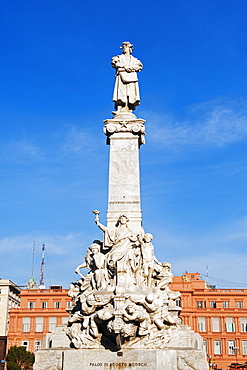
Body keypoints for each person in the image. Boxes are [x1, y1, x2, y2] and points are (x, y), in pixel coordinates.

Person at [112, 41, 143, 114]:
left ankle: (129, 109)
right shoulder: (118, 57)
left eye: (126, 47)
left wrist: (131, 68)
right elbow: (115, 63)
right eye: (124, 47)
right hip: (122, 77)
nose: (125, 49)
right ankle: (119, 109)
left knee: (130, 92)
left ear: (130, 49)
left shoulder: (135, 60)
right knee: (121, 92)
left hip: (132, 77)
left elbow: (139, 66)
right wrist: (124, 66)